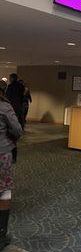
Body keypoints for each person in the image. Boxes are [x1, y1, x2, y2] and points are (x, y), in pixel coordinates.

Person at [0, 80, 23, 250]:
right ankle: (1, 234)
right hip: (1, 153)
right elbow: (17, 130)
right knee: (4, 191)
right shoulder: (3, 106)